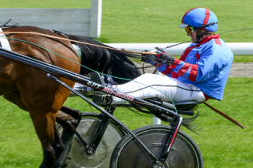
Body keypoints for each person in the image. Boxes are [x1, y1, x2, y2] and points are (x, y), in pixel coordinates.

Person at [89, 7, 234, 106]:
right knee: (129, 78)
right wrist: (157, 62)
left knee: (150, 80)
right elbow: (176, 73)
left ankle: (111, 96)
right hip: (185, 87)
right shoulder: (195, 46)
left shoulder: (218, 50)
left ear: (204, 29)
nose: (188, 33)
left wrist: (173, 61)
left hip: (197, 91)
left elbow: (197, 75)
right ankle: (86, 87)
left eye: (190, 29)